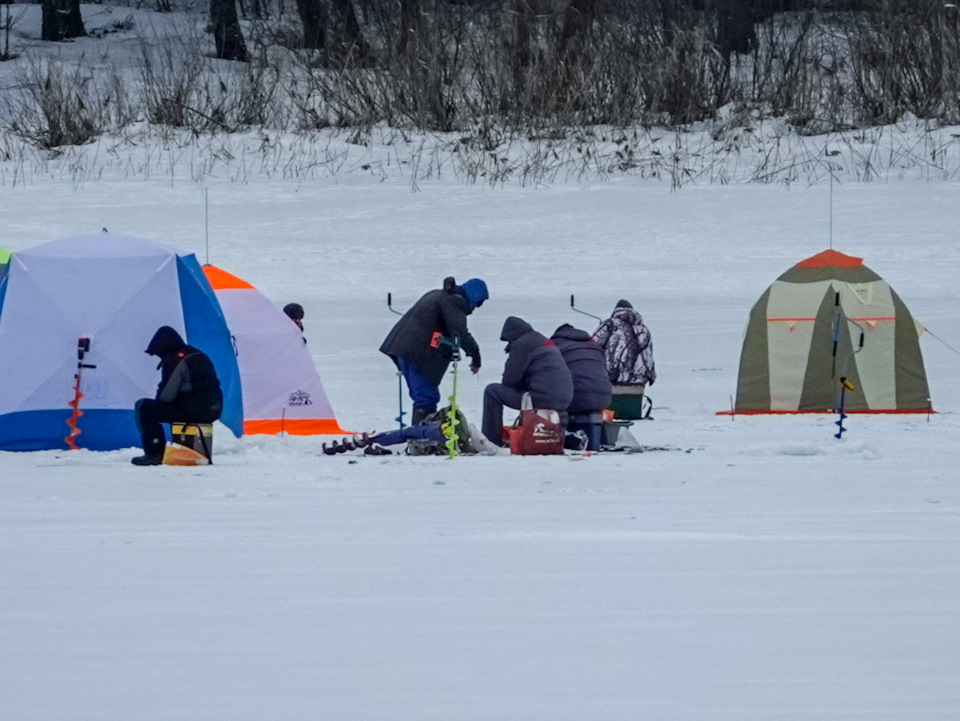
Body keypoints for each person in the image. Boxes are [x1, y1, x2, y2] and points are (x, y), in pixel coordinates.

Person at [380, 277, 488, 426]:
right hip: (417, 353)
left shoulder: (438, 294)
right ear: (474, 296)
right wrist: (476, 356)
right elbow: (460, 333)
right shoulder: (453, 302)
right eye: (479, 303)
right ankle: (422, 438)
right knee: (426, 397)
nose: (476, 307)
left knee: (422, 396)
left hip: (403, 348)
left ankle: (418, 435)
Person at [131, 326, 223, 466]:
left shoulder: (175, 360)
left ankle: (154, 453)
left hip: (193, 411)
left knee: (144, 407)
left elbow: (166, 396)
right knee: (173, 408)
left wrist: (159, 398)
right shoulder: (197, 354)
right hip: (213, 410)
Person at [482, 316, 574, 447]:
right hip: (564, 399)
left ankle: (491, 441)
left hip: (542, 399)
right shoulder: (540, 340)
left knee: (492, 391)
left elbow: (509, 380)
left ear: (511, 335)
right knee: (526, 393)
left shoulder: (522, 345)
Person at [550, 323, 612, 450]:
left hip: (577, 397)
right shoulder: (595, 346)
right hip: (605, 398)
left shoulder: (554, 346)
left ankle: (562, 437)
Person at [592, 299, 656, 419]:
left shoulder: (610, 324)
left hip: (612, 378)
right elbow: (648, 356)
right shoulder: (644, 329)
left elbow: (592, 347)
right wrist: (650, 376)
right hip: (638, 381)